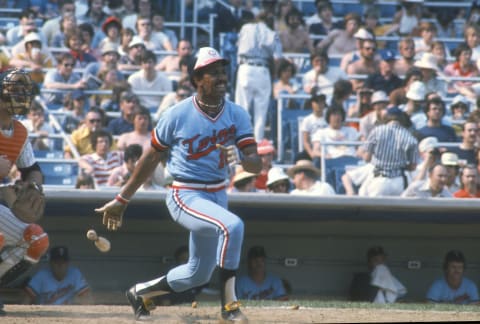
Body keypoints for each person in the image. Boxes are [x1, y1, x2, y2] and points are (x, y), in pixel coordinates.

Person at [94, 47, 261, 322]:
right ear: (197, 80)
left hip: (218, 193)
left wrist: (243, 157)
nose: (221, 77)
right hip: (186, 193)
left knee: (198, 273)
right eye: (213, 73)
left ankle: (140, 292)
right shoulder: (177, 114)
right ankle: (229, 307)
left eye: (222, 72)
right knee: (233, 226)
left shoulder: (237, 114)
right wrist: (122, 199)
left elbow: (256, 163)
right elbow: (149, 158)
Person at [0, 69, 48, 315]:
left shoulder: (19, 131)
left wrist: (35, 186)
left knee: (37, 240)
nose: (20, 94)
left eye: (23, 90)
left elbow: (33, 169)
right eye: (14, 88)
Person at [235, 11, 282, 141]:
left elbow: (238, 47)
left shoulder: (245, 28)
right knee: (261, 111)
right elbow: (277, 58)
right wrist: (274, 74)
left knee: (242, 107)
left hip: (245, 67)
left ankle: (241, 141)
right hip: (263, 69)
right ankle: (258, 143)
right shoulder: (273, 34)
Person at [362, 107, 418, 197]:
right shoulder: (410, 137)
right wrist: (400, 165)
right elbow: (413, 167)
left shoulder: (376, 131)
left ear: (387, 117)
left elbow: (366, 158)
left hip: (379, 179)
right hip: (399, 181)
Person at [24, 246, 90, 305]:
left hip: (68, 314)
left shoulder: (75, 273)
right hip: (45, 314)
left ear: (68, 263)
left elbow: (86, 298)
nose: (60, 265)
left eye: (63, 262)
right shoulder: (42, 275)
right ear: (50, 263)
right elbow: (26, 298)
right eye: (56, 262)